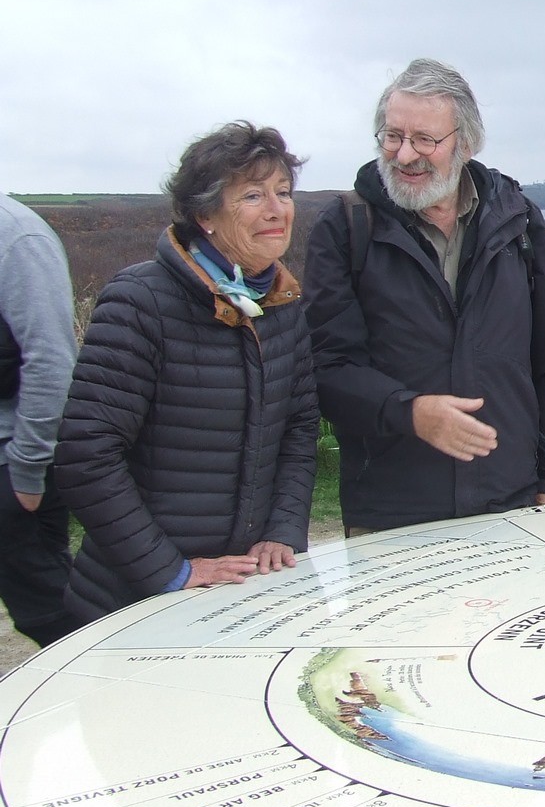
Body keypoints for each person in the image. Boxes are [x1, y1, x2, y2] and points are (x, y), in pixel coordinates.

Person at [55, 123, 321, 622]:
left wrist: (281, 532)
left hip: (244, 590)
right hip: (135, 598)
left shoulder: (281, 303)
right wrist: (170, 571)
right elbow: (86, 455)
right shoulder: (140, 302)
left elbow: (300, 428)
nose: (276, 209)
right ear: (205, 214)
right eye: (252, 195)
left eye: (283, 193)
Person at [303, 58, 545, 533]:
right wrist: (410, 412)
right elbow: (326, 369)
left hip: (511, 504)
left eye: (425, 140)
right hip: (392, 514)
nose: (405, 155)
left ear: (466, 144)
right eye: (392, 136)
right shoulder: (347, 227)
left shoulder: (517, 221)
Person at [0, 195, 82, 646]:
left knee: (52, 615)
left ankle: (127, 705)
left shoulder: (16, 236)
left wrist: (26, 475)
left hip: (11, 461)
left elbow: (51, 361)